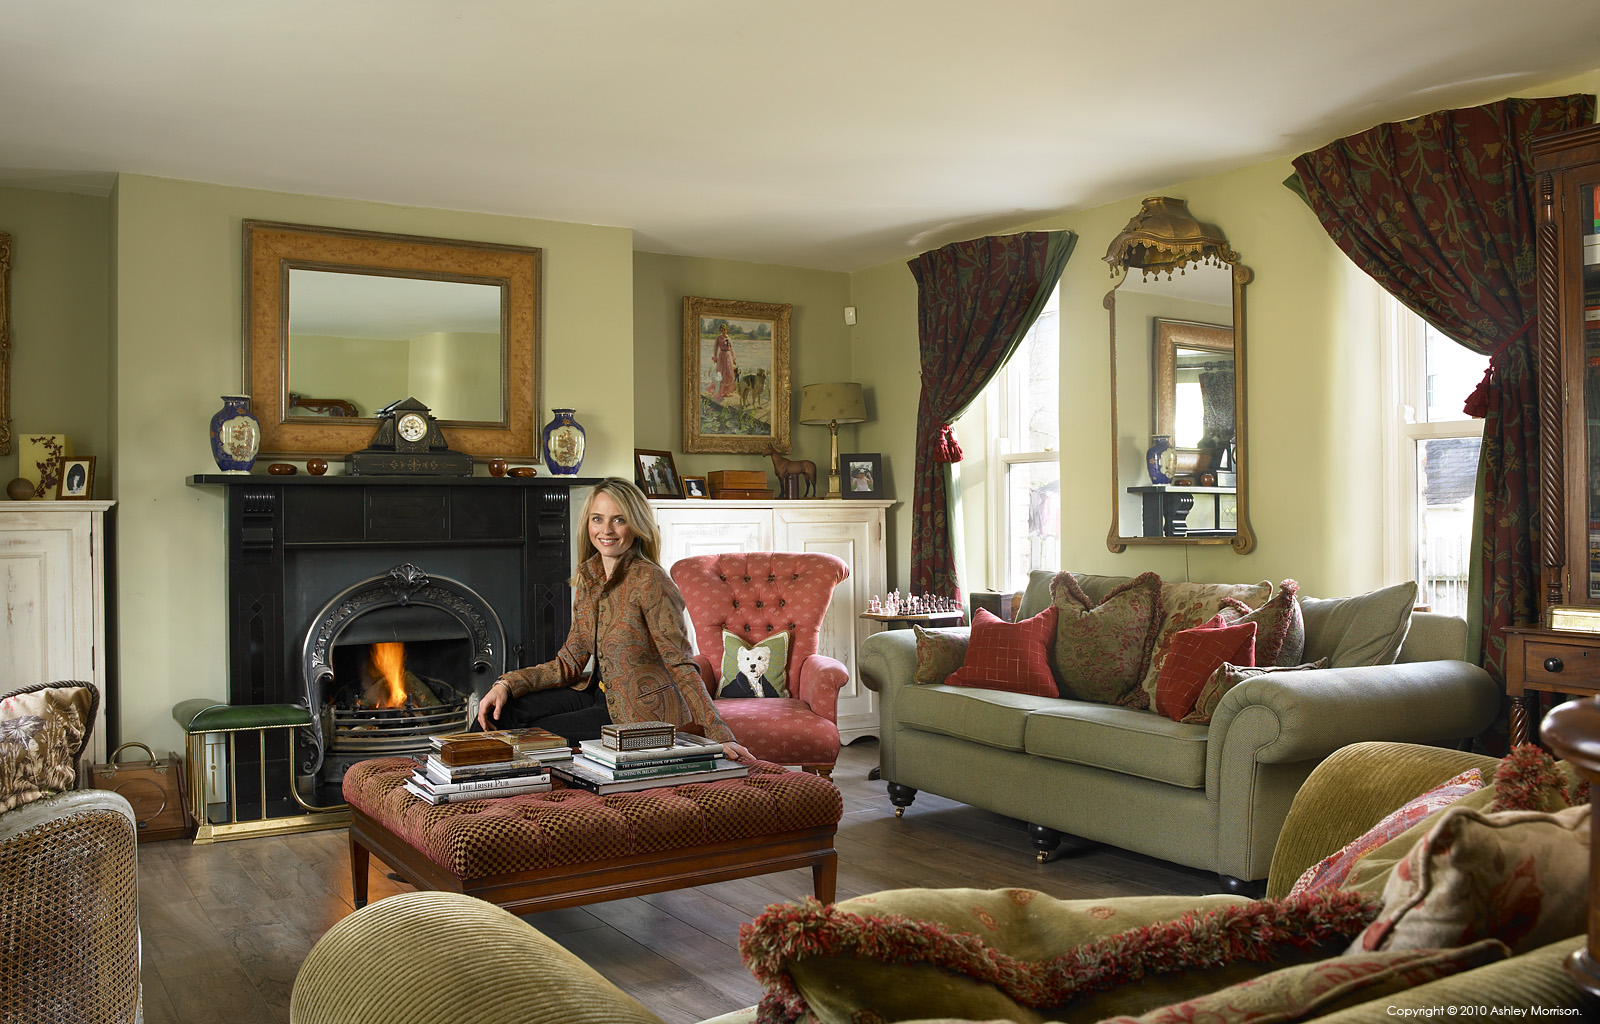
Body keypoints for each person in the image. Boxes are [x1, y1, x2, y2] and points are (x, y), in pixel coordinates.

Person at [477, 477, 753, 763]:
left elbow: (680, 664)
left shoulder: (651, 581)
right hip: (595, 694)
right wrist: (506, 684)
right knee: (502, 711)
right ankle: (455, 783)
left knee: (530, 736)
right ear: (588, 524)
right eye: (598, 519)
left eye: (618, 520)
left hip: (638, 712)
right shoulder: (589, 576)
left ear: (636, 526)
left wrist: (720, 733)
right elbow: (568, 665)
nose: (606, 530)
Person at [711, 323, 738, 399]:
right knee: (722, 372)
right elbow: (715, 348)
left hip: (728, 356)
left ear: (727, 330)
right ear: (720, 330)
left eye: (724, 330)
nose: (723, 331)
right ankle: (721, 391)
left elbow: (731, 349)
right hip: (722, 355)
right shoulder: (718, 338)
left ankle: (728, 391)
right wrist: (715, 357)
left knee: (729, 372)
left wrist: (733, 358)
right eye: (722, 330)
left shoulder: (729, 338)